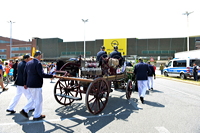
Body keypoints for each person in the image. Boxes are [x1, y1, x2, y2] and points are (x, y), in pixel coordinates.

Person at [20, 50, 56, 120]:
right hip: (36, 84)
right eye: (40, 56)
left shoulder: (28, 63)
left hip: (29, 84)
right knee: (39, 100)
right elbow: (41, 74)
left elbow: (25, 74)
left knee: (33, 99)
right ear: (39, 56)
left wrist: (25, 83)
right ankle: (36, 115)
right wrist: (51, 76)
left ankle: (24, 110)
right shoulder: (38, 63)